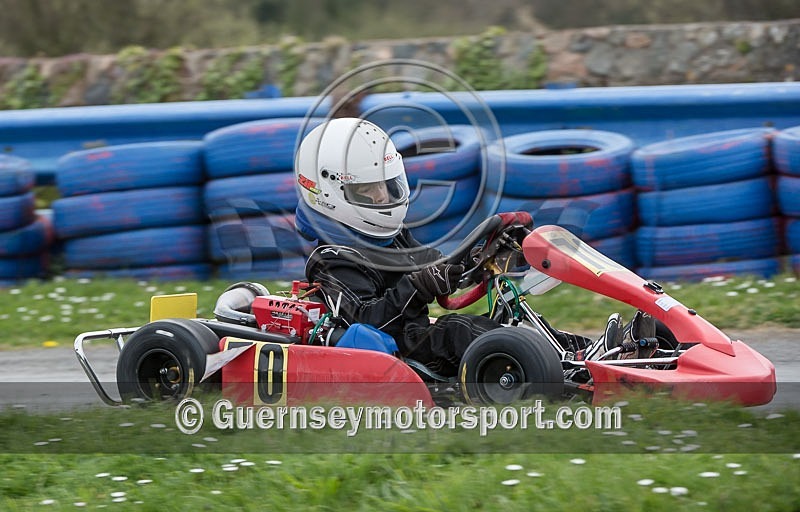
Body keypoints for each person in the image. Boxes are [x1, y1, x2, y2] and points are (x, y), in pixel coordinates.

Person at [293, 117, 620, 376]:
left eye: (386, 187)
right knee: (460, 331)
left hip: (416, 338)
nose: (383, 199)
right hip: (390, 350)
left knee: (509, 321)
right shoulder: (332, 260)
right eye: (370, 192)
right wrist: (416, 286)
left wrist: (476, 260)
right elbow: (369, 320)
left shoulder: (388, 235)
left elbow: (431, 263)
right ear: (327, 194)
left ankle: (596, 351)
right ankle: (561, 366)